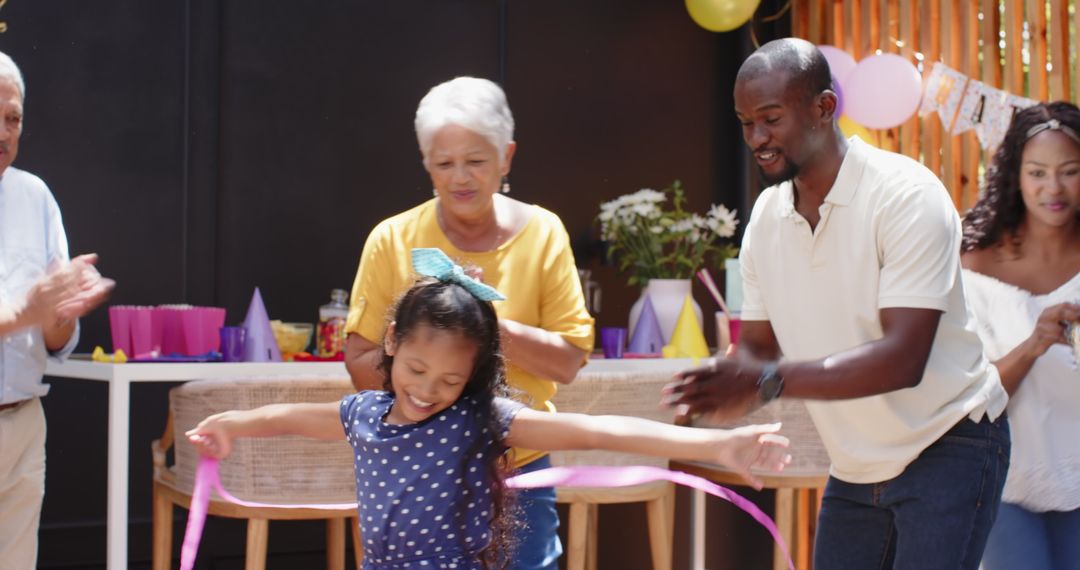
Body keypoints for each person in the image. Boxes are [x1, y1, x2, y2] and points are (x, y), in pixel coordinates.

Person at [190, 248, 792, 570]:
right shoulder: (365, 416)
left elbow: (595, 428)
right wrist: (231, 425)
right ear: (391, 342)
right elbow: (292, 415)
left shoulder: (478, 420)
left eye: (451, 379)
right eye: (417, 370)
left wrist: (716, 445)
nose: (427, 390)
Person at [661, 38, 1010, 569]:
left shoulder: (906, 195)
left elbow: (902, 360)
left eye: (771, 119)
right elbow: (756, 351)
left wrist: (766, 381)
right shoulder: (765, 220)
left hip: (951, 442)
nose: (757, 138)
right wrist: (720, 391)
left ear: (824, 108)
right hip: (855, 465)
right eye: (745, 121)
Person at [343, 76, 593, 568]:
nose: (460, 177)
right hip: (412, 469)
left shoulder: (543, 232)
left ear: (507, 157)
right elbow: (358, 365)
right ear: (426, 164)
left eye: (476, 161)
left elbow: (567, 362)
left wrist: (483, 320)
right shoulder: (392, 239)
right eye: (444, 164)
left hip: (514, 467)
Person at [0, 50, 114, 568]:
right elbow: (25, 308)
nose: (4, 132)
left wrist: (60, 316)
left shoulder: (35, 196)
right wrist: (28, 308)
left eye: (13, 118)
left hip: (23, 421)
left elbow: (56, 340)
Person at [959, 101, 1080, 570]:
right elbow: (971, 399)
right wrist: (1034, 344)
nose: (1054, 188)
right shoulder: (974, 269)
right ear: (1015, 175)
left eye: (1070, 171)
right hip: (1003, 487)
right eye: (1037, 172)